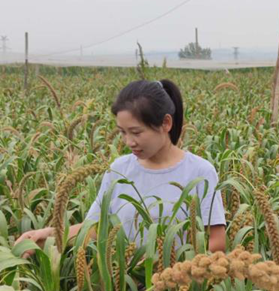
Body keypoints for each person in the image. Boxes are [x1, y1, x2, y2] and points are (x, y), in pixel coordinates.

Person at [16, 79, 226, 254]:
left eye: (136, 132)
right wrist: (47, 236)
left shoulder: (199, 172)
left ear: (166, 123)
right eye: (123, 132)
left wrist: (173, 272)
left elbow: (216, 242)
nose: (129, 142)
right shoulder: (119, 169)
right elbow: (95, 229)